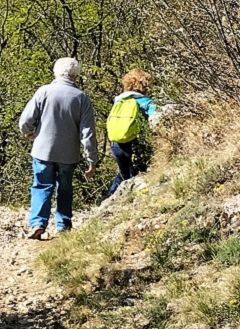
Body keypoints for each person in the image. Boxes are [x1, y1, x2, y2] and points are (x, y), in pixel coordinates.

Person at [17, 57, 98, 240]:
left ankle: (38, 223)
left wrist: (30, 134)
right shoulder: (82, 98)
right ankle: (63, 226)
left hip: (42, 150)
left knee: (41, 185)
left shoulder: (43, 92)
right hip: (68, 154)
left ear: (55, 72)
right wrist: (91, 159)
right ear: (76, 76)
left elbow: (25, 122)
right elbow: (88, 132)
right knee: (65, 188)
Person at [105, 69, 160, 198]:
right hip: (135, 143)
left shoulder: (118, 101)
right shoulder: (147, 102)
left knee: (124, 174)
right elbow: (156, 120)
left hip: (117, 143)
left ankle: (109, 198)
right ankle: (125, 200)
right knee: (138, 173)